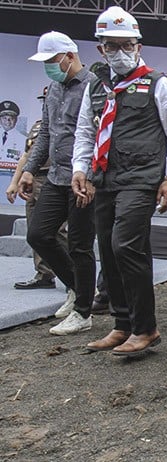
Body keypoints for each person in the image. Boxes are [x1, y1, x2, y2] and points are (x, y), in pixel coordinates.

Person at [72, 6, 167, 354]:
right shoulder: (96, 85)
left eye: (127, 45)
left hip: (143, 179)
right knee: (107, 247)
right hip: (105, 178)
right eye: (112, 46)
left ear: (138, 45)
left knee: (126, 244)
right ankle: (122, 324)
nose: (120, 52)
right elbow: (84, 131)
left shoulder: (159, 84)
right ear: (101, 49)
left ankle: (146, 328)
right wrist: (80, 168)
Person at [19, 31, 98, 336]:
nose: (48, 66)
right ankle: (78, 290)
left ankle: (83, 312)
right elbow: (46, 134)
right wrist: (29, 168)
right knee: (38, 235)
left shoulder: (95, 86)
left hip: (84, 178)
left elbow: (99, 136)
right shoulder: (53, 87)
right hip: (55, 176)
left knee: (80, 245)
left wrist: (91, 176)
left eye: (52, 60)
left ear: (69, 56)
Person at [6, 87, 67, 291]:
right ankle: (43, 274)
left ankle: (73, 276)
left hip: (54, 177)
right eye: (44, 100)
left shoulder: (67, 122)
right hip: (33, 178)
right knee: (34, 229)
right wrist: (15, 181)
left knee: (57, 231)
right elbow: (25, 156)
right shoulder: (37, 126)